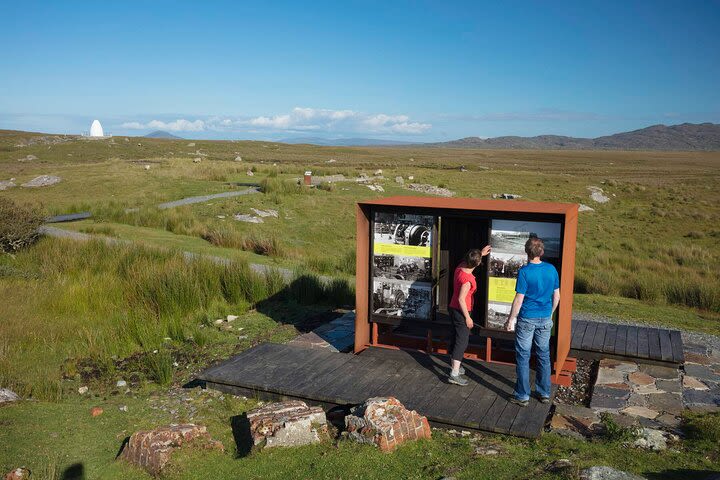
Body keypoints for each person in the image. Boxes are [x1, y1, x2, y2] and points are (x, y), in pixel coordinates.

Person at [505, 237, 560, 406]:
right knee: (543, 355)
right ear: (542, 252)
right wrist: (549, 314)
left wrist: (510, 319)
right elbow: (557, 296)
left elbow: (519, 299)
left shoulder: (524, 272)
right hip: (544, 318)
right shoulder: (551, 269)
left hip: (527, 318)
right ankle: (544, 393)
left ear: (526, 252)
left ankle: (523, 395)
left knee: (523, 356)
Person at [447, 245, 492, 386]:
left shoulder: (460, 268)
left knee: (456, 337)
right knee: (462, 341)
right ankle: (454, 374)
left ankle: (456, 366)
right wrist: (468, 317)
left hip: (453, 308)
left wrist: (481, 254)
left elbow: (471, 262)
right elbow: (461, 299)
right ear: (477, 263)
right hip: (462, 310)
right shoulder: (467, 280)